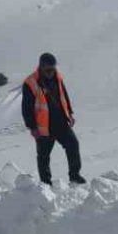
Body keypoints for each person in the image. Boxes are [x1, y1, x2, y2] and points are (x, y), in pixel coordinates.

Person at [22, 52, 85, 186]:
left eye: (53, 68)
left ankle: (75, 176)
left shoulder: (57, 77)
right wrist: (32, 127)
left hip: (61, 122)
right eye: (48, 69)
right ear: (41, 67)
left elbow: (64, 95)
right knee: (43, 156)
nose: (51, 72)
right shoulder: (30, 83)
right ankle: (46, 184)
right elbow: (26, 108)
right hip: (43, 126)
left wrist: (69, 113)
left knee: (73, 145)